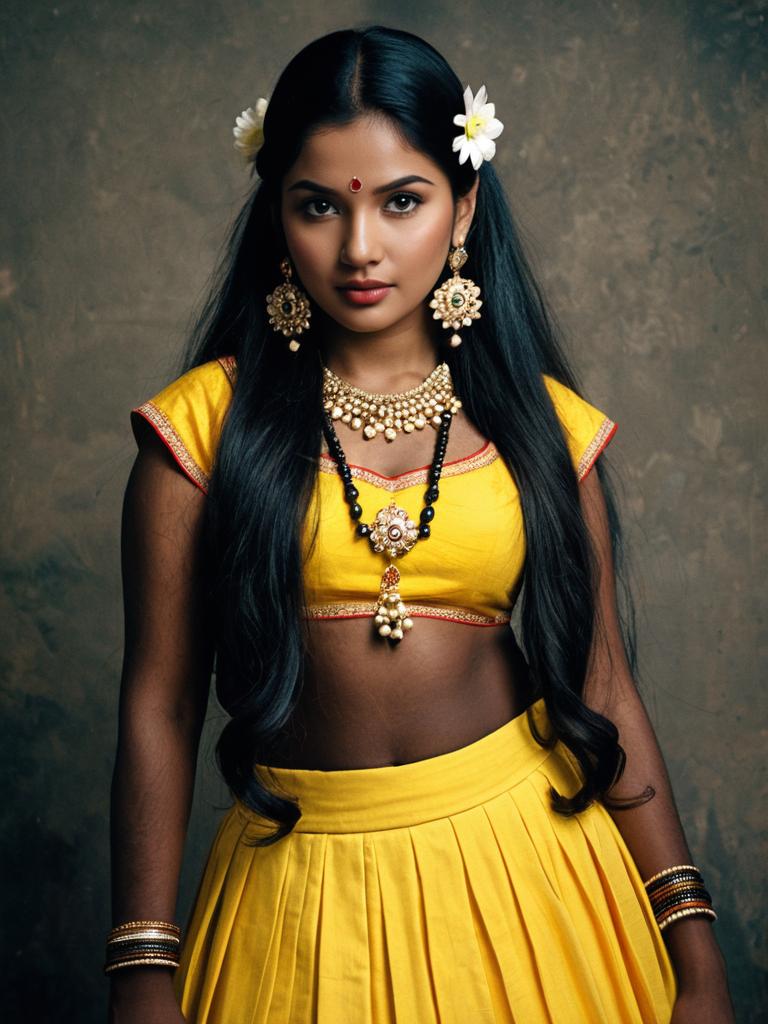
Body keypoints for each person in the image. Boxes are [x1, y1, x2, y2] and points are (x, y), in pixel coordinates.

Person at [106, 24, 735, 1024]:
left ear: (463, 208)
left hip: (537, 877)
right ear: (277, 215)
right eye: (318, 205)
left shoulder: (544, 430)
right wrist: (144, 968)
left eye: (403, 201)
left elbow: (605, 683)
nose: (361, 248)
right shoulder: (199, 434)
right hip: (301, 897)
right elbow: (161, 706)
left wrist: (692, 944)